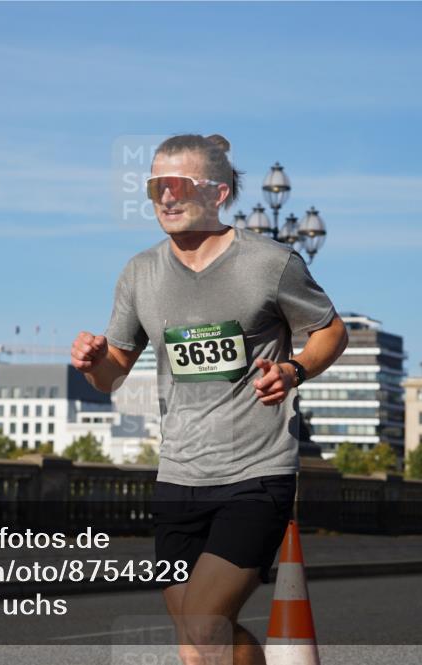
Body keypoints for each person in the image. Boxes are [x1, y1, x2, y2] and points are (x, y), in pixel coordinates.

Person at [70, 134, 348, 665]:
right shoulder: (140, 273)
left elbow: (331, 332)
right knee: (198, 644)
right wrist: (92, 363)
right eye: (155, 187)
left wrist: (293, 370)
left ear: (218, 193)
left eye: (179, 185)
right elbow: (112, 376)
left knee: (203, 624)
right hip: (178, 477)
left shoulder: (271, 262)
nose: (166, 197)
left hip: (256, 473)